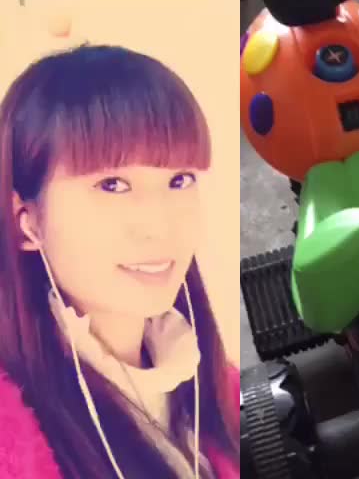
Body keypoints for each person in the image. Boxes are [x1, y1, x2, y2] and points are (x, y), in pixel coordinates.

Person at [0, 43, 239, 479]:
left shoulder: (213, 383)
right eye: (112, 185)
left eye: (179, 180)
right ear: (27, 222)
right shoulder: (12, 438)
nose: (160, 225)